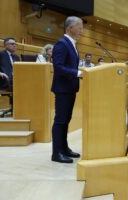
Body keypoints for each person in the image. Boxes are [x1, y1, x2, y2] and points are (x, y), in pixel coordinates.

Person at [51, 16, 83, 164]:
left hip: (70, 88)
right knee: (60, 121)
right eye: (80, 27)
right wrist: (76, 73)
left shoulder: (72, 44)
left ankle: (64, 148)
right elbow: (58, 66)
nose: (82, 30)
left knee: (66, 121)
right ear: (70, 28)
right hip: (63, 89)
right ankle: (56, 153)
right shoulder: (62, 44)